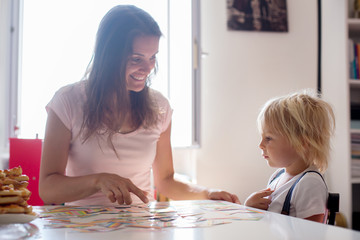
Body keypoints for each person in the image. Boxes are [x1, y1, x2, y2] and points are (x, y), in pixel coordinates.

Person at [39, 5, 239, 206]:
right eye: (136, 59)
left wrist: (207, 193)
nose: (148, 68)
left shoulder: (160, 107)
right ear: (108, 57)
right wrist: (98, 181)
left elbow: (166, 181)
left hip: (140, 228)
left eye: (153, 57)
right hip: (84, 231)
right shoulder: (67, 101)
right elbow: (48, 189)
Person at [244, 90, 335, 223]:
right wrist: (251, 208)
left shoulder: (309, 183)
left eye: (268, 138)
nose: (261, 145)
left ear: (302, 142)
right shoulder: (277, 176)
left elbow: (312, 234)